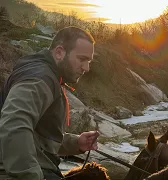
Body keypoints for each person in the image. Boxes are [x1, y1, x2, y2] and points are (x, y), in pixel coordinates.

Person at [0, 26, 99, 180]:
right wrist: (30, 175)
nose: (86, 67)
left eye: (89, 61)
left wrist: (76, 143)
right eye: (82, 59)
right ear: (59, 52)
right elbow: (14, 123)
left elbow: (40, 140)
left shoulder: (51, 76)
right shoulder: (40, 78)